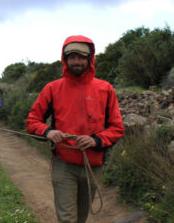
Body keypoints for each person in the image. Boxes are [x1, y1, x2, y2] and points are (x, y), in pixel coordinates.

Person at [26, 34, 124, 223]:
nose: (76, 61)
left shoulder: (106, 89)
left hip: (92, 166)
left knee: (81, 218)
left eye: (80, 57)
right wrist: (48, 132)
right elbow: (32, 121)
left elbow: (117, 128)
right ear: (65, 59)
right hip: (64, 165)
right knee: (67, 220)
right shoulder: (52, 89)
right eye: (71, 57)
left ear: (90, 59)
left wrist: (95, 140)